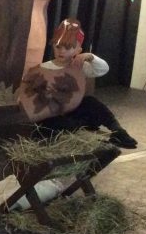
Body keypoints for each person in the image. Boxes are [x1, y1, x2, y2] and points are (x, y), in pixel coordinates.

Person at [36, 18, 137, 148]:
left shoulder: (81, 66)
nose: (62, 51)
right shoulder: (45, 67)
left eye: (68, 47)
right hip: (57, 113)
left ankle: (118, 130)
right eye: (58, 46)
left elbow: (103, 69)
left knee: (91, 102)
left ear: (78, 50)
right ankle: (79, 131)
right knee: (56, 123)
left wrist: (89, 56)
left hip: (75, 109)